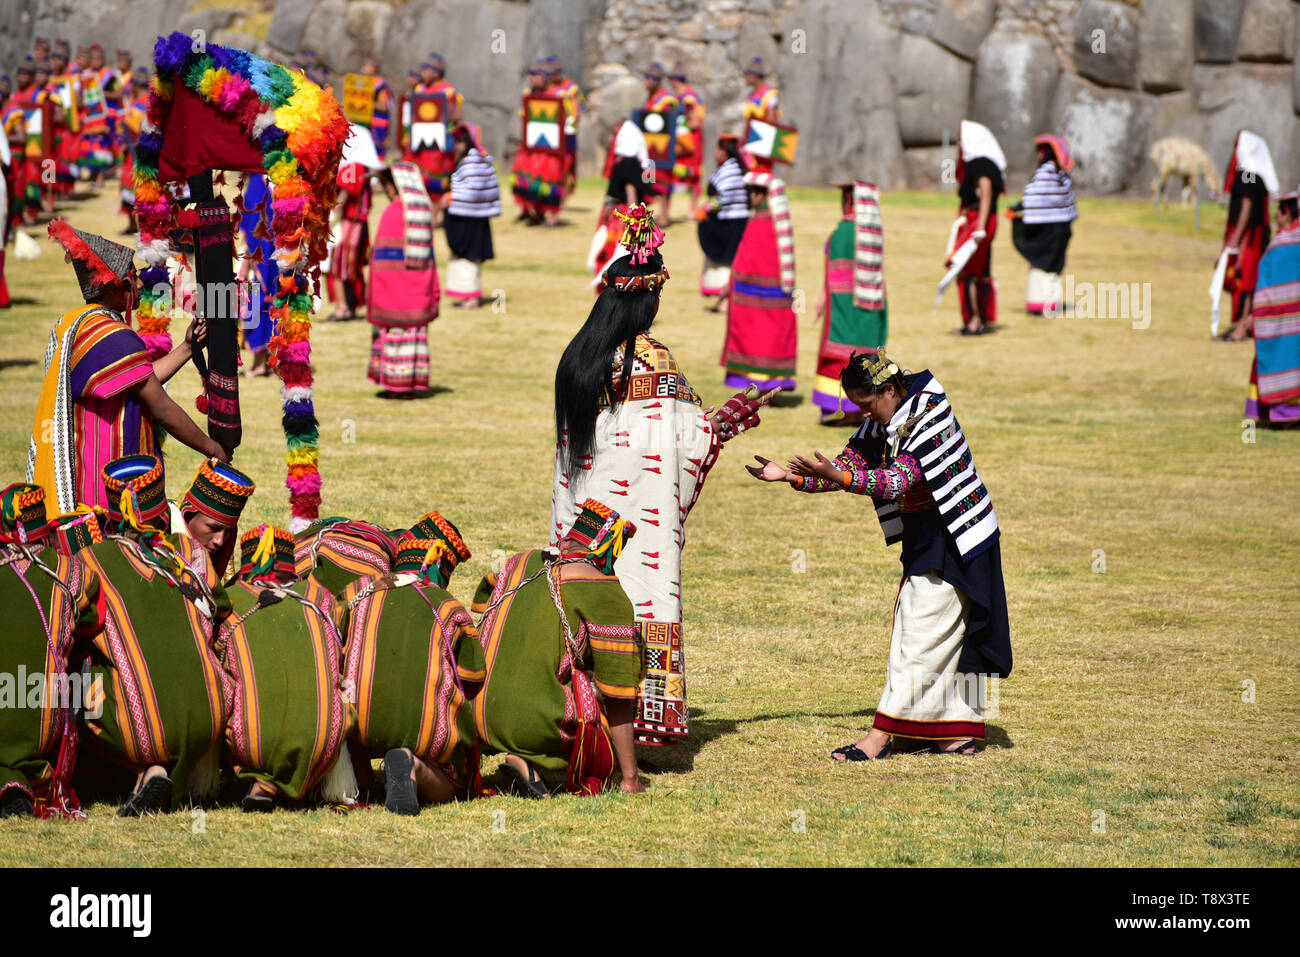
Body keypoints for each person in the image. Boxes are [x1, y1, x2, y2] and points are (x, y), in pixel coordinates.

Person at [552, 204, 772, 746]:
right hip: (637, 523)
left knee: (583, 609)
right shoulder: (650, 361)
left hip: (581, 520)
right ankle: (637, 726)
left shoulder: (578, 358)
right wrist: (730, 418)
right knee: (639, 599)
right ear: (647, 303)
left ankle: (577, 715)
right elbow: (686, 442)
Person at [746, 351, 1011, 759]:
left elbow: (898, 482)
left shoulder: (929, 415)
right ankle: (950, 732)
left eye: (867, 404)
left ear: (889, 390)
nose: (864, 414)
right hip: (932, 535)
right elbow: (845, 466)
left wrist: (844, 477)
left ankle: (880, 737)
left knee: (919, 634)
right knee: (937, 636)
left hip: (956, 539)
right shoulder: (886, 419)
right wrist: (791, 477)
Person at [28, 221, 228, 515]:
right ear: (112, 287)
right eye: (132, 277)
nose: (140, 284)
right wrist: (213, 449)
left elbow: (139, 380)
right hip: (109, 482)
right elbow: (160, 407)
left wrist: (187, 347)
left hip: (85, 469)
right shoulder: (113, 336)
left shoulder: (74, 324)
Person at [73, 454, 232, 815]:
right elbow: (221, 608)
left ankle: (146, 767)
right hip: (211, 715)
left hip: (142, 731)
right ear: (164, 509)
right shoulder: (190, 551)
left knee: (75, 681)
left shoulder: (90, 560)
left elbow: (77, 629)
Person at [464, 499, 644, 797]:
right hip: (530, 721)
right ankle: (528, 756)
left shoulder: (516, 563)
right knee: (596, 723)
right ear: (609, 550)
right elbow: (618, 692)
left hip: (475, 712)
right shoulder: (603, 589)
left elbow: (482, 602)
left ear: (568, 540)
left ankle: (504, 747)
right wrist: (631, 777)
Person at [338, 518, 483, 813]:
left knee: (352, 687)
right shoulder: (448, 606)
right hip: (421, 728)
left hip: (354, 722)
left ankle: (361, 778)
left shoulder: (356, 592)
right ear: (439, 565)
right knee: (458, 780)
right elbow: (471, 678)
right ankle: (412, 764)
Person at [216, 524, 356, 811]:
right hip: (324, 740)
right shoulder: (322, 599)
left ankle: (259, 780)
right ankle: (293, 783)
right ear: (291, 569)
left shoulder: (229, 602)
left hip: (251, 741)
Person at [0, 483, 90, 819]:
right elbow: (90, 629)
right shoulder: (74, 572)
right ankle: (31, 778)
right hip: (43, 724)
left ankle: (10, 782)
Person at [813, 181, 888, 424]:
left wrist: (824, 299)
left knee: (840, 357)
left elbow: (833, 273)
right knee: (864, 357)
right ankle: (863, 409)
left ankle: (841, 410)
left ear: (848, 201)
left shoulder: (842, 232)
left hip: (843, 306)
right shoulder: (873, 233)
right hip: (871, 308)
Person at [366, 161, 441, 395]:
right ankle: (409, 383)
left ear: (393, 186)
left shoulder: (394, 212)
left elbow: (383, 261)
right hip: (417, 291)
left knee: (396, 334)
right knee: (413, 334)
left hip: (394, 293)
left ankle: (396, 385)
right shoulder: (421, 212)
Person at [722, 170, 797, 392]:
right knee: (772, 337)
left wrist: (734, 282)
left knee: (757, 338)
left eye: (752, 192)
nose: (749, 197)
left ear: (761, 195)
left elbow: (747, 260)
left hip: (754, 294)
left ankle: (762, 386)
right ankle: (772, 386)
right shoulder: (777, 222)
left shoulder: (759, 223)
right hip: (778, 294)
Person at [1245, 189, 1300, 426]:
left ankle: (1279, 414)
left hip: (1280, 321)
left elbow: (1267, 289)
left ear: (1286, 213)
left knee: (1275, 354)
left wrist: (1256, 316)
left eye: (1279, 211)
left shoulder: (1280, 245)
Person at [1010, 134, 1076, 316]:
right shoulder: (1061, 174)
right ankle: (1049, 304)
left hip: (1045, 230)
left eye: (1042, 150)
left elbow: (1032, 199)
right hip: (1060, 228)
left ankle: (1040, 304)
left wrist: (1017, 210)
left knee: (1042, 264)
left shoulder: (1047, 173)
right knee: (1052, 266)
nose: (1038, 154)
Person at [1221, 130, 1279, 341]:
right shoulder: (1257, 176)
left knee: (1245, 280)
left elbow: (1246, 208)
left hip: (1250, 238)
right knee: (1243, 279)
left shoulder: (1248, 175)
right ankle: (1242, 324)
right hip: (1255, 235)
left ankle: (1242, 328)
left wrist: (1235, 240)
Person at [950, 119, 1005, 335]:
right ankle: (981, 317)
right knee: (978, 270)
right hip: (976, 220)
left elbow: (986, 192)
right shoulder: (984, 162)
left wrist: (979, 226)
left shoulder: (981, 164)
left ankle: (973, 321)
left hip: (978, 221)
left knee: (968, 270)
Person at [168, 457, 256, 579]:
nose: (220, 541)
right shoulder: (162, 536)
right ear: (189, 514)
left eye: (228, 532)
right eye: (213, 528)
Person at [590, 119, 654, 286]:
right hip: (617, 210)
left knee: (619, 251)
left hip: (621, 213)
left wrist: (632, 219)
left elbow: (630, 190)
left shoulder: (627, 164)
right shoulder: (631, 163)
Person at [443, 122, 499, 308]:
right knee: (463, 258)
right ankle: (467, 295)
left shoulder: (474, 161)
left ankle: (472, 297)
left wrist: (452, 197)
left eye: (460, 141)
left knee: (470, 258)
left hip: (471, 222)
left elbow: (474, 192)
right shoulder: (471, 159)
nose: (457, 145)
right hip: (466, 219)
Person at [694, 134, 749, 311]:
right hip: (740, 222)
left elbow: (721, 199)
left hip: (728, 225)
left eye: (717, 149)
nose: (715, 152)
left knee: (726, 263)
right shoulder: (740, 169)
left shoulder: (728, 170)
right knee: (734, 261)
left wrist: (703, 211)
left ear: (724, 151)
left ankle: (725, 301)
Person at [511, 59, 567, 226]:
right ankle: (536, 213)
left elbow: (566, 119)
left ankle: (552, 217)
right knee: (529, 178)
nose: (531, 79)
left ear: (546, 77)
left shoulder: (559, 95)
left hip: (552, 147)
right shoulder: (529, 94)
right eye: (530, 75)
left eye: (535, 75)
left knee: (550, 180)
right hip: (532, 146)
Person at [235, 171, 276, 373]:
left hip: (264, 253)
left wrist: (248, 258)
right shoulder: (269, 180)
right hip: (274, 251)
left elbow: (252, 222)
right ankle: (266, 360)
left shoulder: (259, 183)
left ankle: (261, 363)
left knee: (260, 302)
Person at [327, 156, 373, 321]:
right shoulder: (359, 164)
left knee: (341, 266)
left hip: (351, 223)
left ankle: (343, 307)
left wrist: (331, 213)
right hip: (355, 222)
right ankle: (349, 305)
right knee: (348, 267)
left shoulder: (355, 165)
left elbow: (347, 190)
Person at [641, 62, 678, 223]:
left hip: (663, 147)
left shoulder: (667, 99)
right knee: (649, 180)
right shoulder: (650, 98)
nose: (644, 83)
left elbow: (671, 122)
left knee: (662, 182)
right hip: (650, 148)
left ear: (654, 81)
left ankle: (664, 216)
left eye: (647, 79)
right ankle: (647, 214)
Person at [667, 62, 705, 217]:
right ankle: (667, 211)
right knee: (673, 173)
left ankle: (693, 210)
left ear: (675, 80)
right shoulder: (678, 97)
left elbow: (695, 121)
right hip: (681, 140)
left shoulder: (688, 97)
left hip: (691, 140)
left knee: (693, 174)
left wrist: (682, 126)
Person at [547, 56, 584, 199]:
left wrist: (572, 125)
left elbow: (577, 109)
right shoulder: (547, 87)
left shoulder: (570, 88)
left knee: (568, 163)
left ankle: (564, 196)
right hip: (551, 133)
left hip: (567, 132)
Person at [741, 56, 780, 172]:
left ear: (754, 76)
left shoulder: (769, 94)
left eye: (747, 74)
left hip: (763, 140)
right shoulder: (752, 95)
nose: (746, 78)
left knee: (762, 172)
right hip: (751, 140)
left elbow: (772, 119)